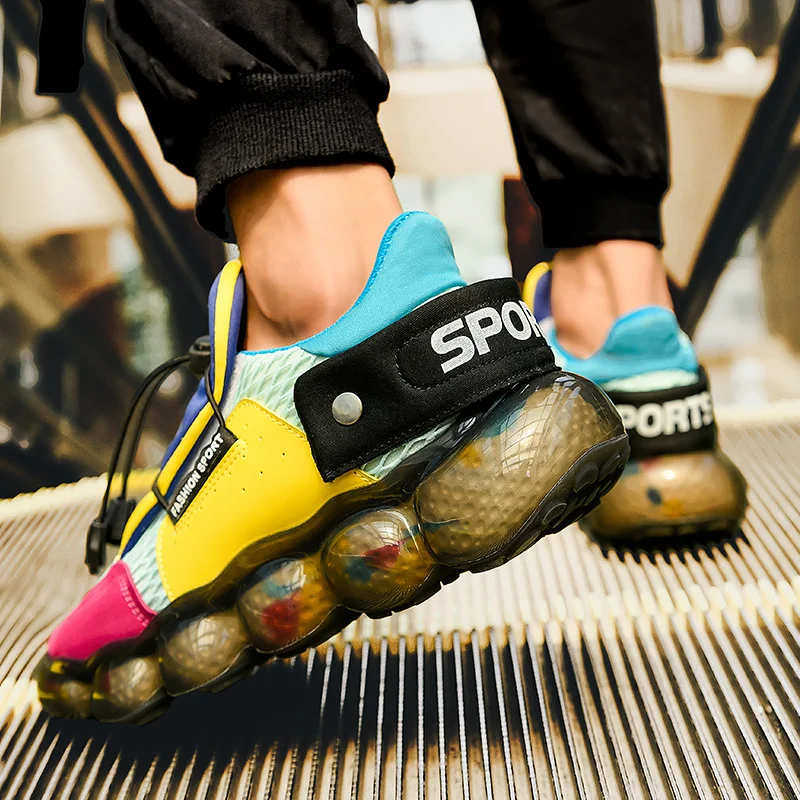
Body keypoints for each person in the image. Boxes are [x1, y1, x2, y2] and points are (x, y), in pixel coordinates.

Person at [35, 0, 745, 722]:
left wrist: (272, 111)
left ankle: (323, 299)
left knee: (306, 225)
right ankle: (622, 307)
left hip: (331, 376)